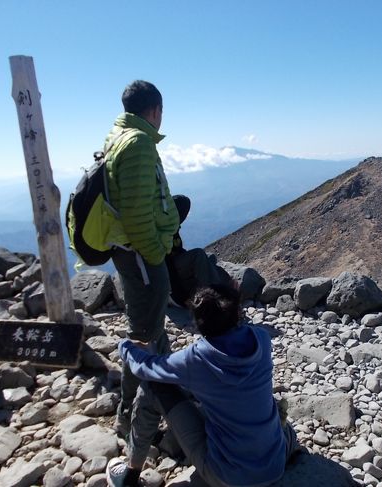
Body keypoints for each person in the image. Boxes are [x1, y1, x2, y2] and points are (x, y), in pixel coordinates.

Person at [106, 284, 300, 487]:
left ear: (198, 322)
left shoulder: (196, 359)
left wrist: (126, 346)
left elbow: (144, 368)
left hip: (229, 477)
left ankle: (129, 475)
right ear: (237, 312)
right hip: (276, 461)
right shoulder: (261, 338)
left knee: (152, 387)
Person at [105, 80, 180, 438]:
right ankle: (131, 413)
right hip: (140, 254)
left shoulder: (121, 137)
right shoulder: (137, 143)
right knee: (143, 332)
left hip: (133, 252)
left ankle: (160, 396)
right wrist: (156, 255)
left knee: (149, 328)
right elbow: (135, 214)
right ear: (155, 110)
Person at [166, 194, 230, 307]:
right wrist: (178, 295)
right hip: (171, 273)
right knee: (199, 255)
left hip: (177, 266)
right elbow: (166, 263)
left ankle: (208, 289)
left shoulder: (172, 226)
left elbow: (177, 250)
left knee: (210, 257)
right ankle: (213, 297)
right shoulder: (165, 230)